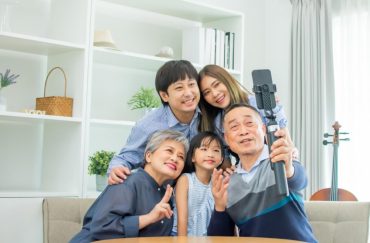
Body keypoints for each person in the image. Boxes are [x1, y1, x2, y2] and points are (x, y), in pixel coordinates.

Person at [207, 103, 317, 243]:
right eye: (234, 127)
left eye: (249, 123)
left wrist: (289, 169)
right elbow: (219, 239)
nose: (243, 131)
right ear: (227, 139)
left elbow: (300, 180)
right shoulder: (228, 183)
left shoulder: (280, 160)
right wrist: (220, 207)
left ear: (263, 129)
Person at [70, 130, 189, 243]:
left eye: (181, 157)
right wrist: (149, 217)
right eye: (169, 151)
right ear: (148, 156)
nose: (175, 158)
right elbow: (102, 228)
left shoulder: (166, 195)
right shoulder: (126, 181)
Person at [108, 60, 200, 185]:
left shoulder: (209, 114)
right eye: (179, 87)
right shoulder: (148, 125)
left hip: (201, 191)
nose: (188, 93)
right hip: (160, 192)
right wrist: (116, 169)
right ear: (164, 96)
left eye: (192, 84)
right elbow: (126, 158)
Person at [197, 64, 295, 163]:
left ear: (227, 81)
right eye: (207, 92)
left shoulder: (259, 104)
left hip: (275, 164)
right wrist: (230, 171)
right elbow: (225, 161)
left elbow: (287, 144)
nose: (214, 93)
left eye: (217, 84)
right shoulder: (217, 122)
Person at [172, 131, 224, 236]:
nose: (210, 154)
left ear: (221, 159)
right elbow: (182, 219)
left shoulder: (219, 182)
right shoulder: (185, 180)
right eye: (204, 149)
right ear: (192, 157)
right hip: (182, 236)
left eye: (216, 150)